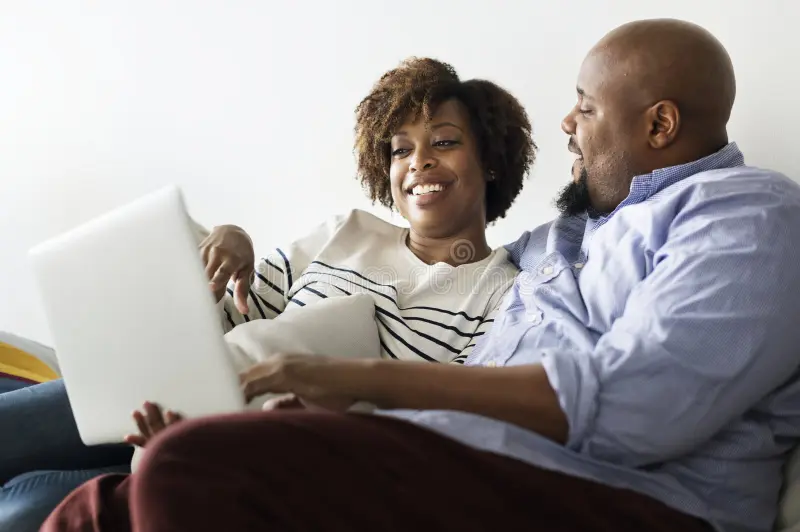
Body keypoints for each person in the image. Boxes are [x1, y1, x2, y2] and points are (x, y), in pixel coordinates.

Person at [44, 18, 800, 532]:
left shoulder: (746, 215)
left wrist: (355, 382)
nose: (568, 124)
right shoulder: (558, 240)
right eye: (401, 150)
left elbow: (640, 407)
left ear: (659, 124)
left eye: (585, 108)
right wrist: (324, 420)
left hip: (626, 500)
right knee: (96, 507)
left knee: (189, 468)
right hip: (470, 462)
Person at [0, 57, 533, 531]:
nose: (418, 162)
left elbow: (442, 430)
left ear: (489, 160)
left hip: (246, 456)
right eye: (401, 150)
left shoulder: (506, 294)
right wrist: (228, 244)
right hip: (166, 398)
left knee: (23, 509)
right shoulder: (346, 232)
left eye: (444, 142)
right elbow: (234, 316)